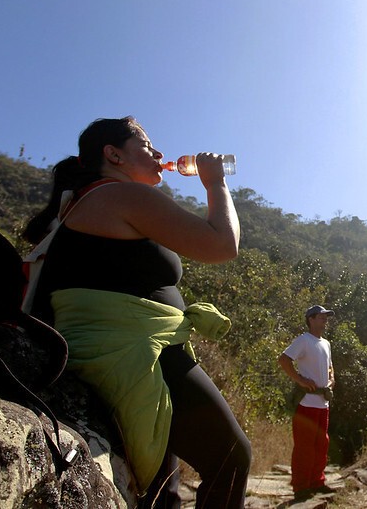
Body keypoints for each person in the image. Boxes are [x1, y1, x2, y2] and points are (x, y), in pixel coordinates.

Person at [23, 117, 250, 508]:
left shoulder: (87, 201)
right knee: (231, 456)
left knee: (163, 492)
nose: (159, 154)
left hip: (127, 352)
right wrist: (215, 182)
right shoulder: (119, 195)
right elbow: (222, 244)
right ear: (113, 155)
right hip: (136, 354)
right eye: (145, 145)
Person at [278, 305, 336, 501]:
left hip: (323, 402)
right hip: (306, 402)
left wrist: (331, 380)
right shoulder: (304, 340)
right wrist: (300, 380)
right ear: (311, 319)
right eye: (322, 317)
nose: (325, 320)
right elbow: (284, 360)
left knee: (322, 443)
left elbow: (330, 368)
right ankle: (301, 487)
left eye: (326, 317)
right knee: (304, 446)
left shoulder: (326, 343)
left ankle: (317, 482)